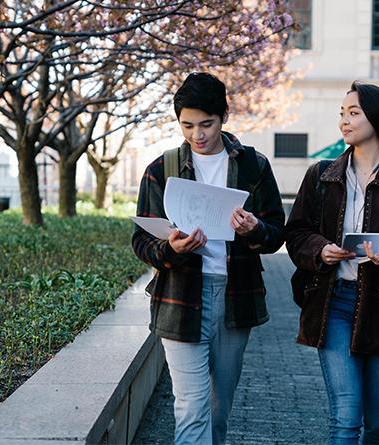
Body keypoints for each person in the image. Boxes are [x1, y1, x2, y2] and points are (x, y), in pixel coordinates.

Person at [131, 72, 285, 445]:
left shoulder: (253, 166)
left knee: (219, 406)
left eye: (206, 124)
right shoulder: (161, 169)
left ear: (224, 117)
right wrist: (171, 249)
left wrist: (254, 231)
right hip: (180, 297)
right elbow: (140, 241)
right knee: (190, 404)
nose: (197, 135)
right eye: (187, 125)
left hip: (235, 296)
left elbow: (277, 233)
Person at [284, 82, 379, 445]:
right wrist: (321, 250)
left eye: (354, 112)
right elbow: (296, 234)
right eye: (342, 113)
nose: (345, 120)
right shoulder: (322, 176)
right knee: (345, 418)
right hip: (333, 303)